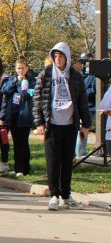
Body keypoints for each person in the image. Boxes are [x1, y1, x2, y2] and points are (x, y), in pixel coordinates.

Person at [33, 42, 91, 210]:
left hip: (70, 124)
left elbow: (82, 100)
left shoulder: (76, 76)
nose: (57, 59)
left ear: (67, 57)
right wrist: (39, 122)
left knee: (67, 161)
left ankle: (66, 195)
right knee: (53, 161)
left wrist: (86, 124)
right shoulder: (45, 74)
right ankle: (54, 195)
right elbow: (37, 99)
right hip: (52, 124)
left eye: (60, 56)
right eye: (55, 56)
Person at [0, 57, 36, 177]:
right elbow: (5, 92)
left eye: (23, 68)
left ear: (27, 68)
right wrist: (16, 81)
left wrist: (24, 86)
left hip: (25, 117)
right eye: (18, 68)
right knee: (16, 143)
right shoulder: (11, 80)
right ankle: (18, 168)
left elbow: (30, 95)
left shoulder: (32, 81)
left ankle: (26, 168)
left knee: (24, 143)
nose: (20, 71)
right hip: (13, 116)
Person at [74, 53, 96, 158]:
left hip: (91, 107)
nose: (83, 64)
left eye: (85, 62)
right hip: (82, 108)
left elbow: (94, 90)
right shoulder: (79, 75)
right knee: (82, 131)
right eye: (82, 62)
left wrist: (83, 92)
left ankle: (81, 152)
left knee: (85, 130)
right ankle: (79, 153)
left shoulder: (93, 76)